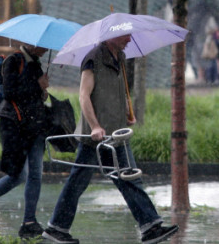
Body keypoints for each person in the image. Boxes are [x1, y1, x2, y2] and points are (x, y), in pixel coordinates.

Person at [42, 35, 178, 244]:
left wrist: (126, 111)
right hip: (95, 136)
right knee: (78, 183)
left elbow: (119, 91)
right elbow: (84, 96)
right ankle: (56, 228)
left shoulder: (120, 58)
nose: (130, 39)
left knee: (129, 178)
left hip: (115, 134)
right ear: (112, 36)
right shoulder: (92, 59)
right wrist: (95, 126)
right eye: (125, 35)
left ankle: (151, 227)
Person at [0, 42, 50, 239]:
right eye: (42, 46)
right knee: (18, 175)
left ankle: (29, 221)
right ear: (30, 43)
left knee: (36, 174)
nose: (45, 49)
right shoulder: (13, 61)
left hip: (35, 126)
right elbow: (10, 93)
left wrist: (43, 92)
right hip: (15, 126)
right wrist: (37, 85)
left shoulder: (36, 64)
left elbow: (31, 96)